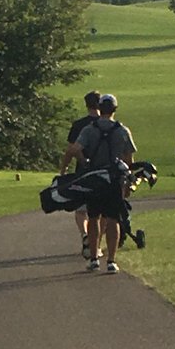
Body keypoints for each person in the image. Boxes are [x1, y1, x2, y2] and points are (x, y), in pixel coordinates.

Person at [67, 93, 136, 274]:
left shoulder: (90, 129)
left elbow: (75, 149)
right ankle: (111, 260)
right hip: (114, 179)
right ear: (114, 109)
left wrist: (85, 162)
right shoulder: (122, 130)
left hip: (96, 178)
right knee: (113, 219)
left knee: (93, 217)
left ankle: (94, 258)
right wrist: (127, 182)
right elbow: (129, 159)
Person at [59, 89, 102, 258]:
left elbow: (71, 150)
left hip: (82, 170)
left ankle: (84, 235)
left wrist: (63, 170)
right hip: (102, 170)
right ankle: (95, 242)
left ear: (86, 105)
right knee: (100, 212)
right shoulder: (108, 124)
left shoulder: (79, 125)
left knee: (81, 210)